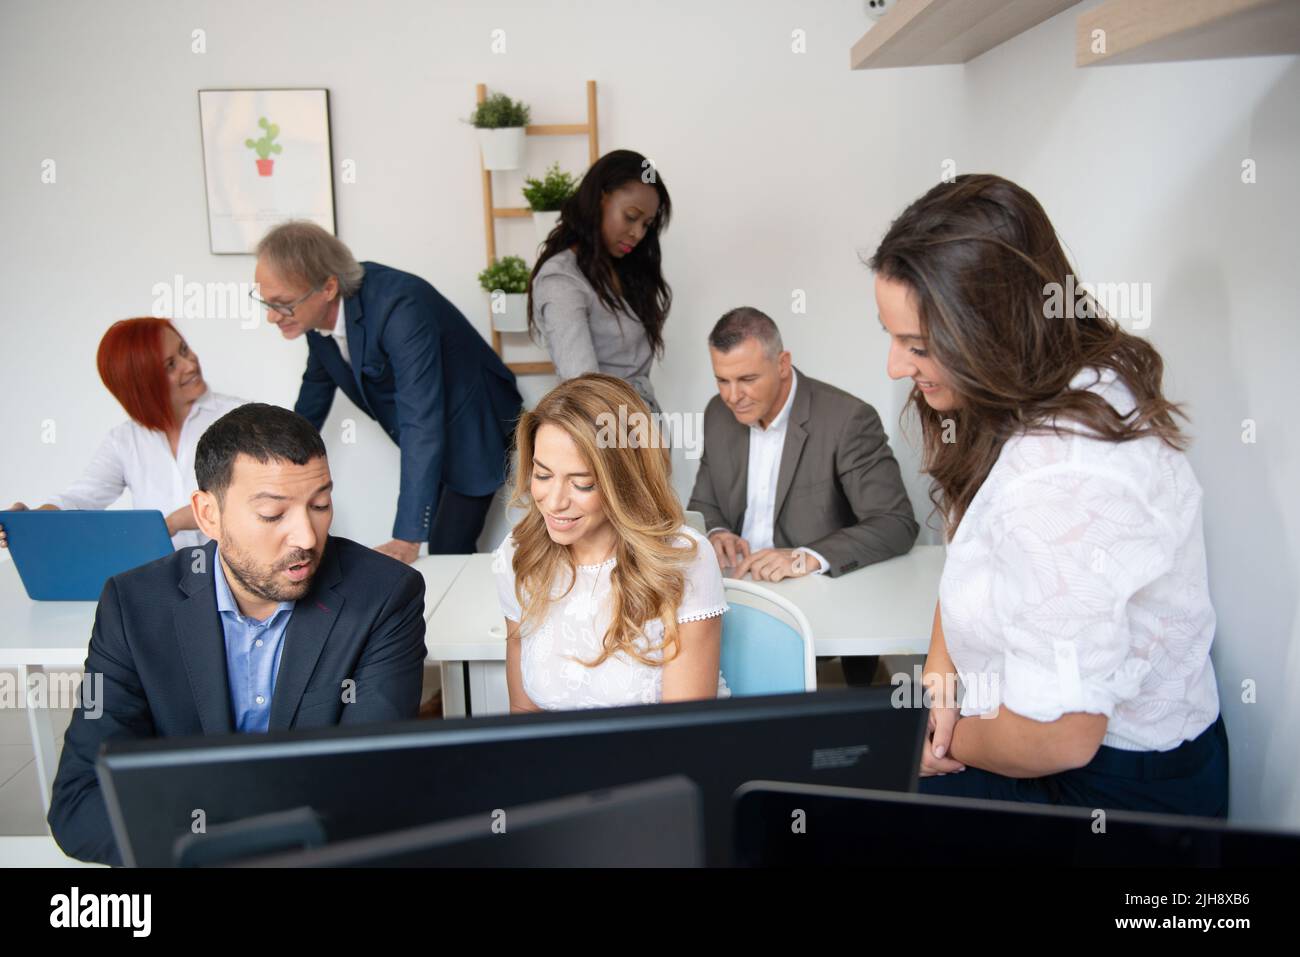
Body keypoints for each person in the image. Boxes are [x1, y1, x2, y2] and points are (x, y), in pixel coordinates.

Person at [871, 174, 1228, 817]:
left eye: (917, 346)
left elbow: (1059, 736)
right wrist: (939, 679)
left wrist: (935, 739)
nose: (895, 367)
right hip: (1020, 734)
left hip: (1104, 784)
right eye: (893, 336)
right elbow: (969, 554)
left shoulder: (1065, 478)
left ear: (990, 331)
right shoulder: (1026, 383)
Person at [47, 404, 429, 865]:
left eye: (321, 505)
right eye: (273, 514)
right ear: (208, 515)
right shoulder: (133, 606)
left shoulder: (385, 596)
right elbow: (81, 800)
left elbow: (372, 786)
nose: (306, 536)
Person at [254, 221, 523, 562]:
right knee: (442, 548)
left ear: (328, 287)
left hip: (474, 424)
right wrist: (268, 466)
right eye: (267, 303)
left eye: (284, 304)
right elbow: (314, 396)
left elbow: (420, 420)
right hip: (431, 432)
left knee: (447, 549)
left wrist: (406, 538)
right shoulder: (314, 320)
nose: (273, 317)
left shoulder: (400, 307)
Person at [688, 307, 918, 686]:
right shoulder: (717, 414)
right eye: (722, 381)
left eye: (746, 379)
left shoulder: (848, 419)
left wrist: (805, 558)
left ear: (782, 363)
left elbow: (895, 523)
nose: (733, 397)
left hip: (814, 602)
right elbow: (703, 505)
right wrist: (716, 533)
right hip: (733, 594)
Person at [492, 374, 728, 711]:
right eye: (543, 475)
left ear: (625, 483)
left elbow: (682, 736)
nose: (554, 501)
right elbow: (524, 715)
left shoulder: (681, 561)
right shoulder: (519, 554)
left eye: (582, 483)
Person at [1, 317, 244, 551]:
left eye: (184, 350)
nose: (190, 365)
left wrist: (173, 522)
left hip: (232, 578)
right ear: (142, 383)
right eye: (170, 365)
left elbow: (255, 498)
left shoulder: (241, 418)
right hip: (163, 580)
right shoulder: (124, 440)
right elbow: (82, 497)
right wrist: (31, 521)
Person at [529, 149, 672, 413]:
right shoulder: (562, 281)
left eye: (646, 224)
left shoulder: (622, 270)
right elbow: (584, 393)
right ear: (600, 199)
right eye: (631, 216)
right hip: (608, 440)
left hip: (641, 433)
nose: (638, 233)